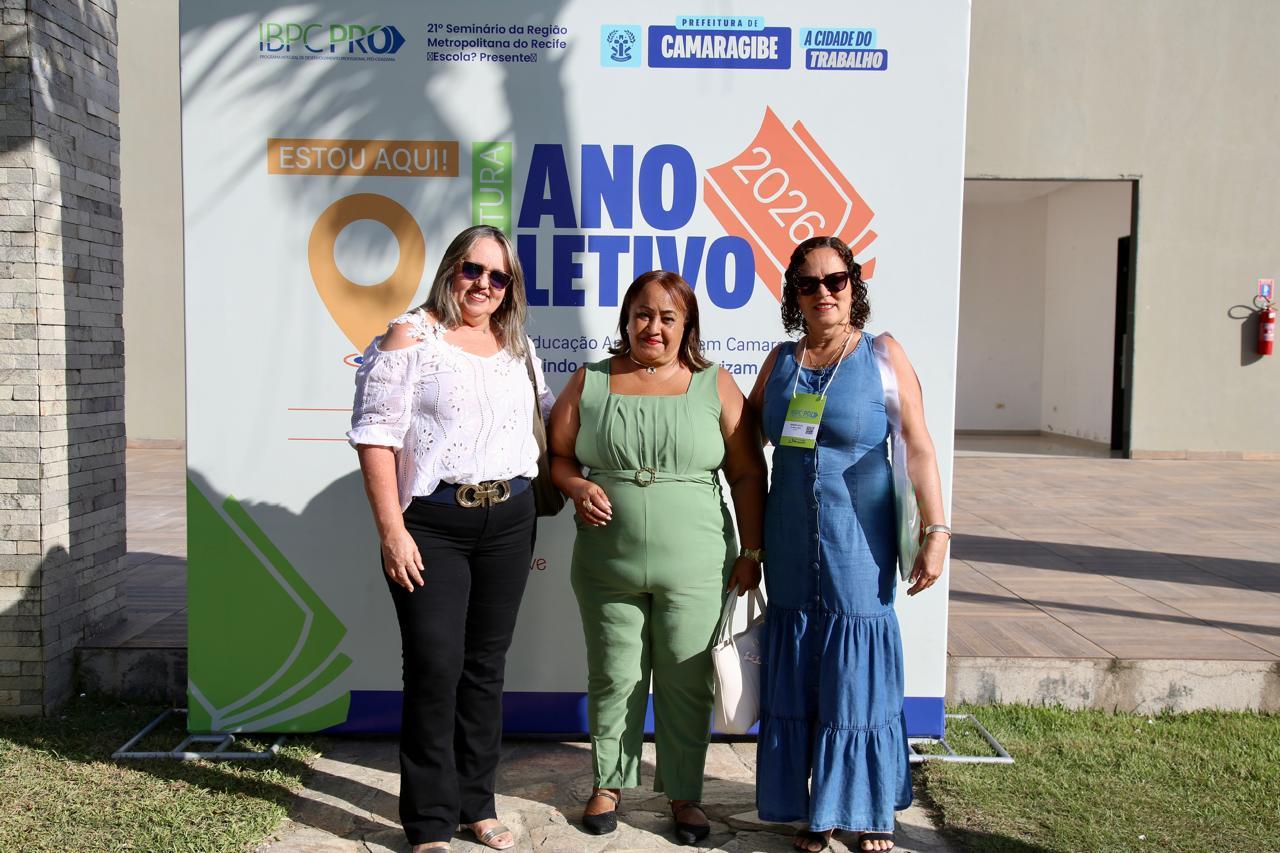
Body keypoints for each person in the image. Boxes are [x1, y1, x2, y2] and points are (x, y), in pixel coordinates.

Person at [347, 225, 553, 853]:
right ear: (450, 269)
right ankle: (431, 821)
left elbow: (550, 418)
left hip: (510, 519)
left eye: (498, 276)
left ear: (510, 287)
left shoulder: (516, 345)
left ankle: (476, 805)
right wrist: (392, 531)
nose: (483, 285)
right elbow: (375, 437)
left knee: (485, 669)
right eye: (472, 269)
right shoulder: (410, 337)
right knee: (435, 668)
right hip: (432, 524)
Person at [547, 270, 767, 845]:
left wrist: (752, 551)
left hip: (698, 565)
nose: (654, 327)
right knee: (613, 676)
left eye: (669, 317)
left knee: (686, 680)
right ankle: (608, 784)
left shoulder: (715, 384)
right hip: (607, 565)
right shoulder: (591, 380)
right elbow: (559, 457)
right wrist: (576, 485)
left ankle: (685, 794)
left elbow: (747, 473)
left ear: (687, 325)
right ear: (626, 319)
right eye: (643, 314)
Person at [747, 236, 949, 853]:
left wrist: (937, 530)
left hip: (859, 543)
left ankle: (865, 810)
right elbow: (742, 444)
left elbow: (918, 446)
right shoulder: (780, 361)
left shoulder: (883, 354)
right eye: (809, 283)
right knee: (802, 667)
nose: (823, 293)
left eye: (835, 280)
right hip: (788, 542)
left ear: (853, 285)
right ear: (794, 294)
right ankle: (819, 809)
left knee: (854, 667)